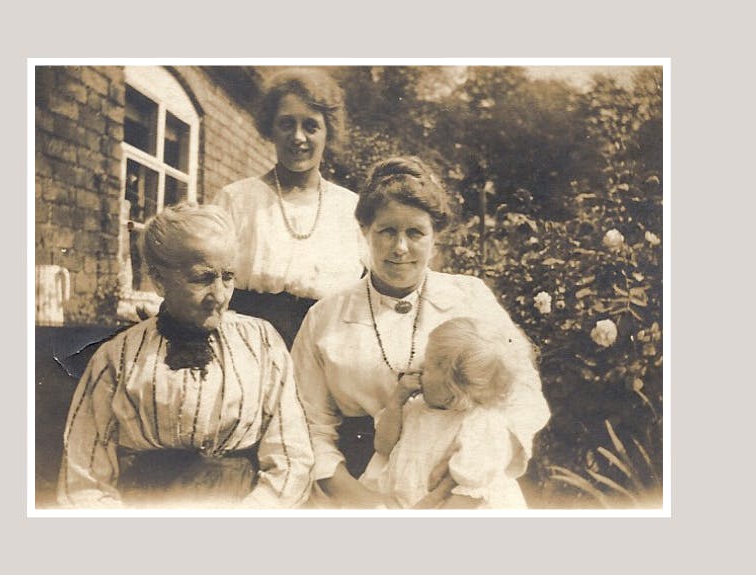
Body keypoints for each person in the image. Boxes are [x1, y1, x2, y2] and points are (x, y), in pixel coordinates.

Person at [291, 156, 551, 509]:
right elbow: (308, 427)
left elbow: (523, 392)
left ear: (435, 238)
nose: (400, 248)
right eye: (387, 231)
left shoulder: (469, 297)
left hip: (465, 492)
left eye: (415, 232)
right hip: (360, 487)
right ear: (365, 231)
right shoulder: (325, 317)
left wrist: (465, 478)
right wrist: (360, 499)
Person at [57, 203, 313, 509]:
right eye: (202, 278)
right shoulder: (118, 358)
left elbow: (291, 456)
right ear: (158, 279)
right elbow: (83, 479)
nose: (219, 296)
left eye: (228, 277)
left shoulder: (261, 343)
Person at [211, 68, 366, 347]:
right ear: (270, 129)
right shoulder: (236, 200)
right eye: (286, 124)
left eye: (310, 126)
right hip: (247, 347)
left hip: (327, 352)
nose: (298, 137)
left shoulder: (351, 209)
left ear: (328, 132)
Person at [361, 317, 534, 509]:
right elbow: (383, 447)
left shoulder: (481, 423)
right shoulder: (415, 408)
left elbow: (471, 492)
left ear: (451, 390)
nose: (417, 368)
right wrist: (396, 402)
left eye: (426, 367)